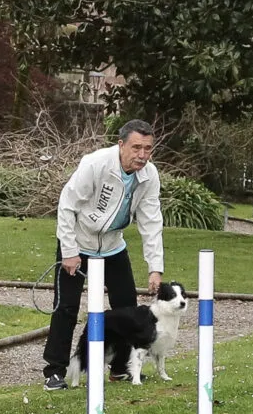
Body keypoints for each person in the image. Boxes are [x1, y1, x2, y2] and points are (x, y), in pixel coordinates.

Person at [43, 120, 166, 390]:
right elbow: (67, 205)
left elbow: (151, 221)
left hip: (113, 246)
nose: (142, 155)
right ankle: (54, 372)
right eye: (136, 148)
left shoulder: (149, 175)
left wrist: (155, 267)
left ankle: (120, 368)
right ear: (121, 145)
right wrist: (69, 251)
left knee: (127, 307)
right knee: (66, 308)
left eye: (148, 149)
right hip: (78, 242)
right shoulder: (95, 164)